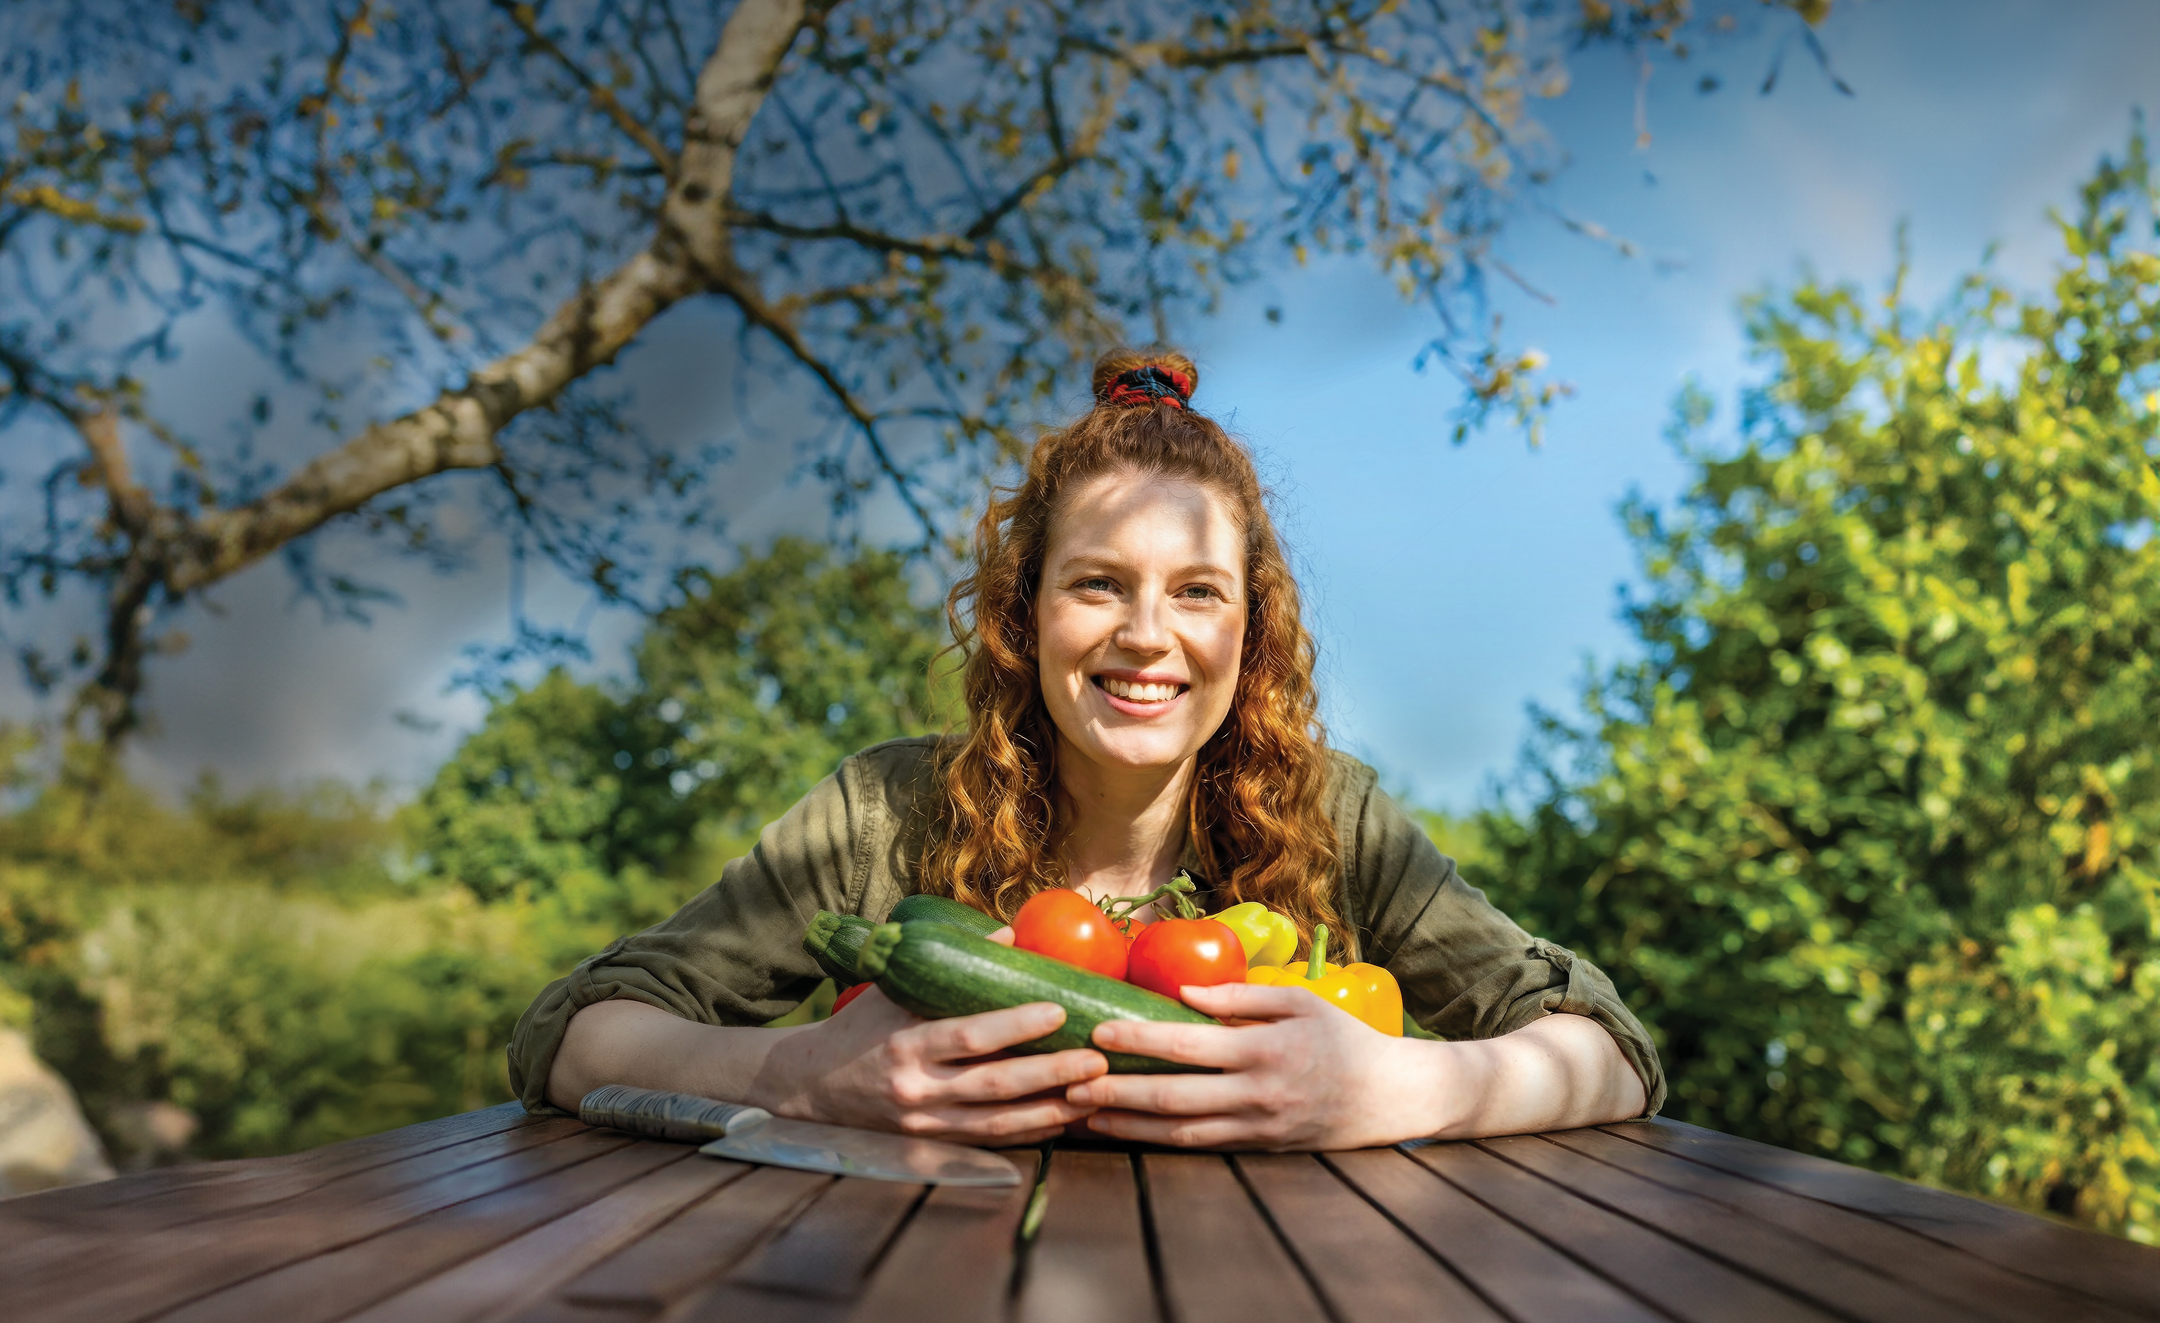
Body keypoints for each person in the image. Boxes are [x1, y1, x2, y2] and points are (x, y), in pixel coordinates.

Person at [511, 348, 1661, 1150]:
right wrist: (796, 1074)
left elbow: (1612, 1054)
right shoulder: (883, 812)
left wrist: (1406, 1087)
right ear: (1025, 615)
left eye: (1197, 591)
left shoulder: (1335, 817)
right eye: (1099, 583)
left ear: (1251, 631)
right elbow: (575, 1033)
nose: (1147, 635)